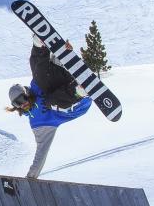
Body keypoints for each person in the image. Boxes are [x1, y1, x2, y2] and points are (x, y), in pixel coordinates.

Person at [8, 37, 92, 179]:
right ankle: (79, 91)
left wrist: (62, 54)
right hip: (77, 104)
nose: (22, 104)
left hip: (69, 81)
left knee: (38, 72)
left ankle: (39, 45)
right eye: (17, 104)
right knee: (49, 101)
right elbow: (41, 153)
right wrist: (31, 177)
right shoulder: (38, 123)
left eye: (22, 99)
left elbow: (47, 70)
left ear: (26, 92)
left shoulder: (35, 86)